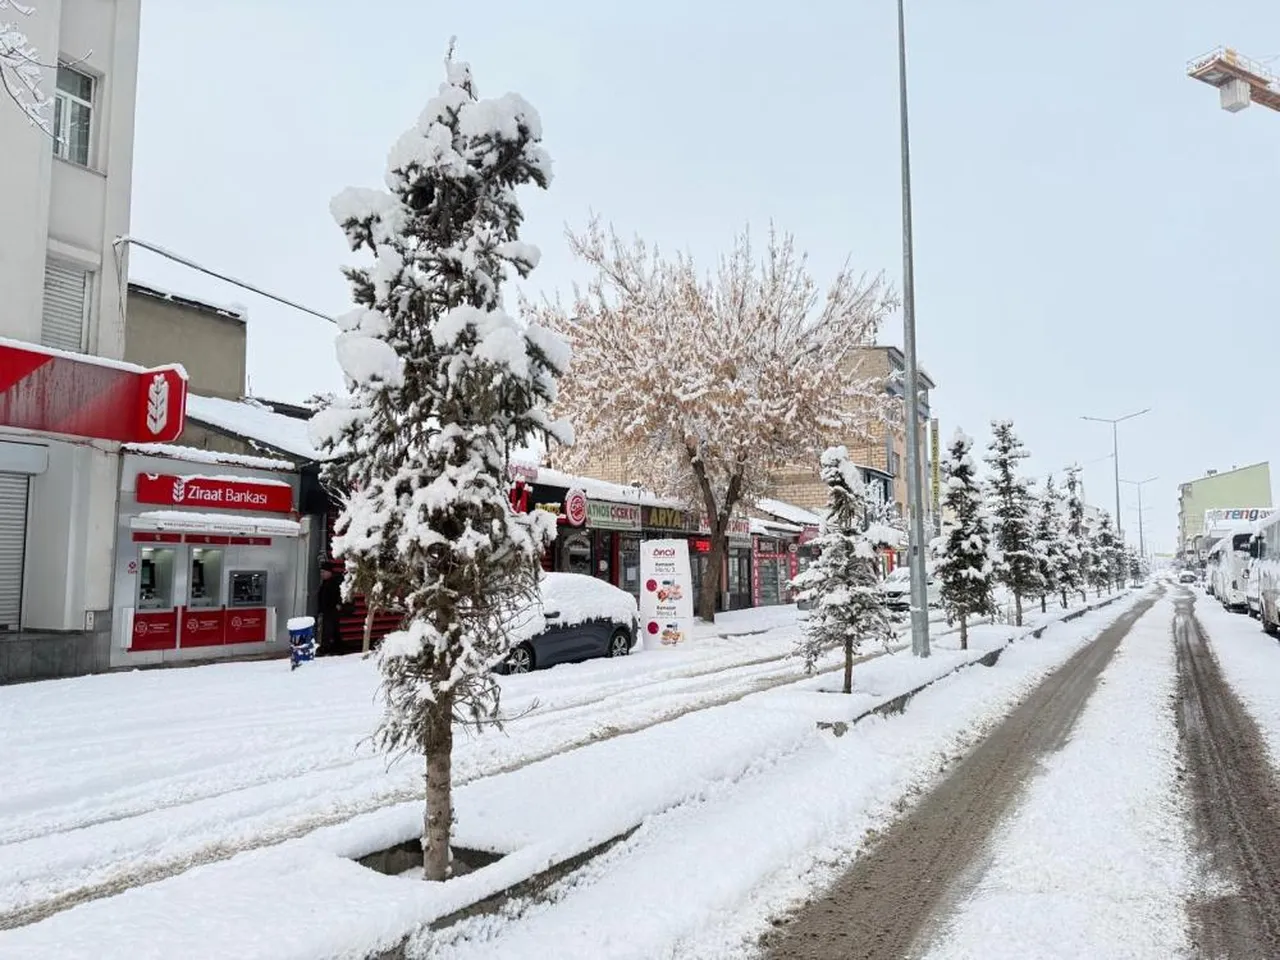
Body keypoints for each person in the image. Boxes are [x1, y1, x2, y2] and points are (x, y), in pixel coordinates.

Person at [317, 562, 345, 655]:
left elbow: (341, 595)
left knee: (328, 629)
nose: (322, 574)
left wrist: (338, 604)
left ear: (329, 572)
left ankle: (325, 647)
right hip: (327, 610)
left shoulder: (335, 582)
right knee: (333, 630)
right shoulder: (326, 582)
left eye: (324, 572)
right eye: (321, 572)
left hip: (332, 610)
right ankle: (338, 647)